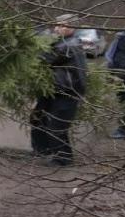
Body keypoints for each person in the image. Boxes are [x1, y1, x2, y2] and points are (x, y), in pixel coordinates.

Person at [30, 14, 87, 166]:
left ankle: (64, 158)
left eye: (61, 26)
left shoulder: (69, 45)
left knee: (57, 125)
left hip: (67, 92)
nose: (56, 28)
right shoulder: (62, 41)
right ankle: (42, 149)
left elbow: (44, 58)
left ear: (72, 28)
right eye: (56, 25)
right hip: (53, 90)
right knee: (38, 118)